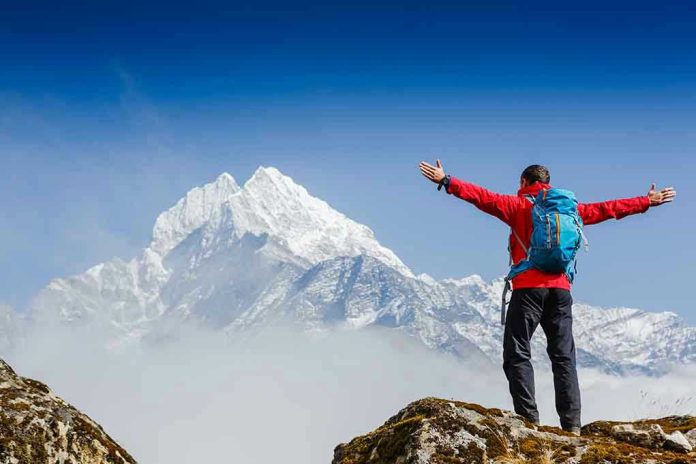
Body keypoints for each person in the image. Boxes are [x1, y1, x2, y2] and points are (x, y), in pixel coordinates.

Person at [418, 160, 676, 435]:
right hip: (561, 291)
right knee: (563, 357)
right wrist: (646, 201)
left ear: (523, 183)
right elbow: (606, 209)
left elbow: (482, 197)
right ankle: (572, 426)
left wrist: (447, 180)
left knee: (517, 353)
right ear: (547, 183)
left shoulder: (517, 206)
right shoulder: (570, 210)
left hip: (528, 289)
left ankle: (529, 421)